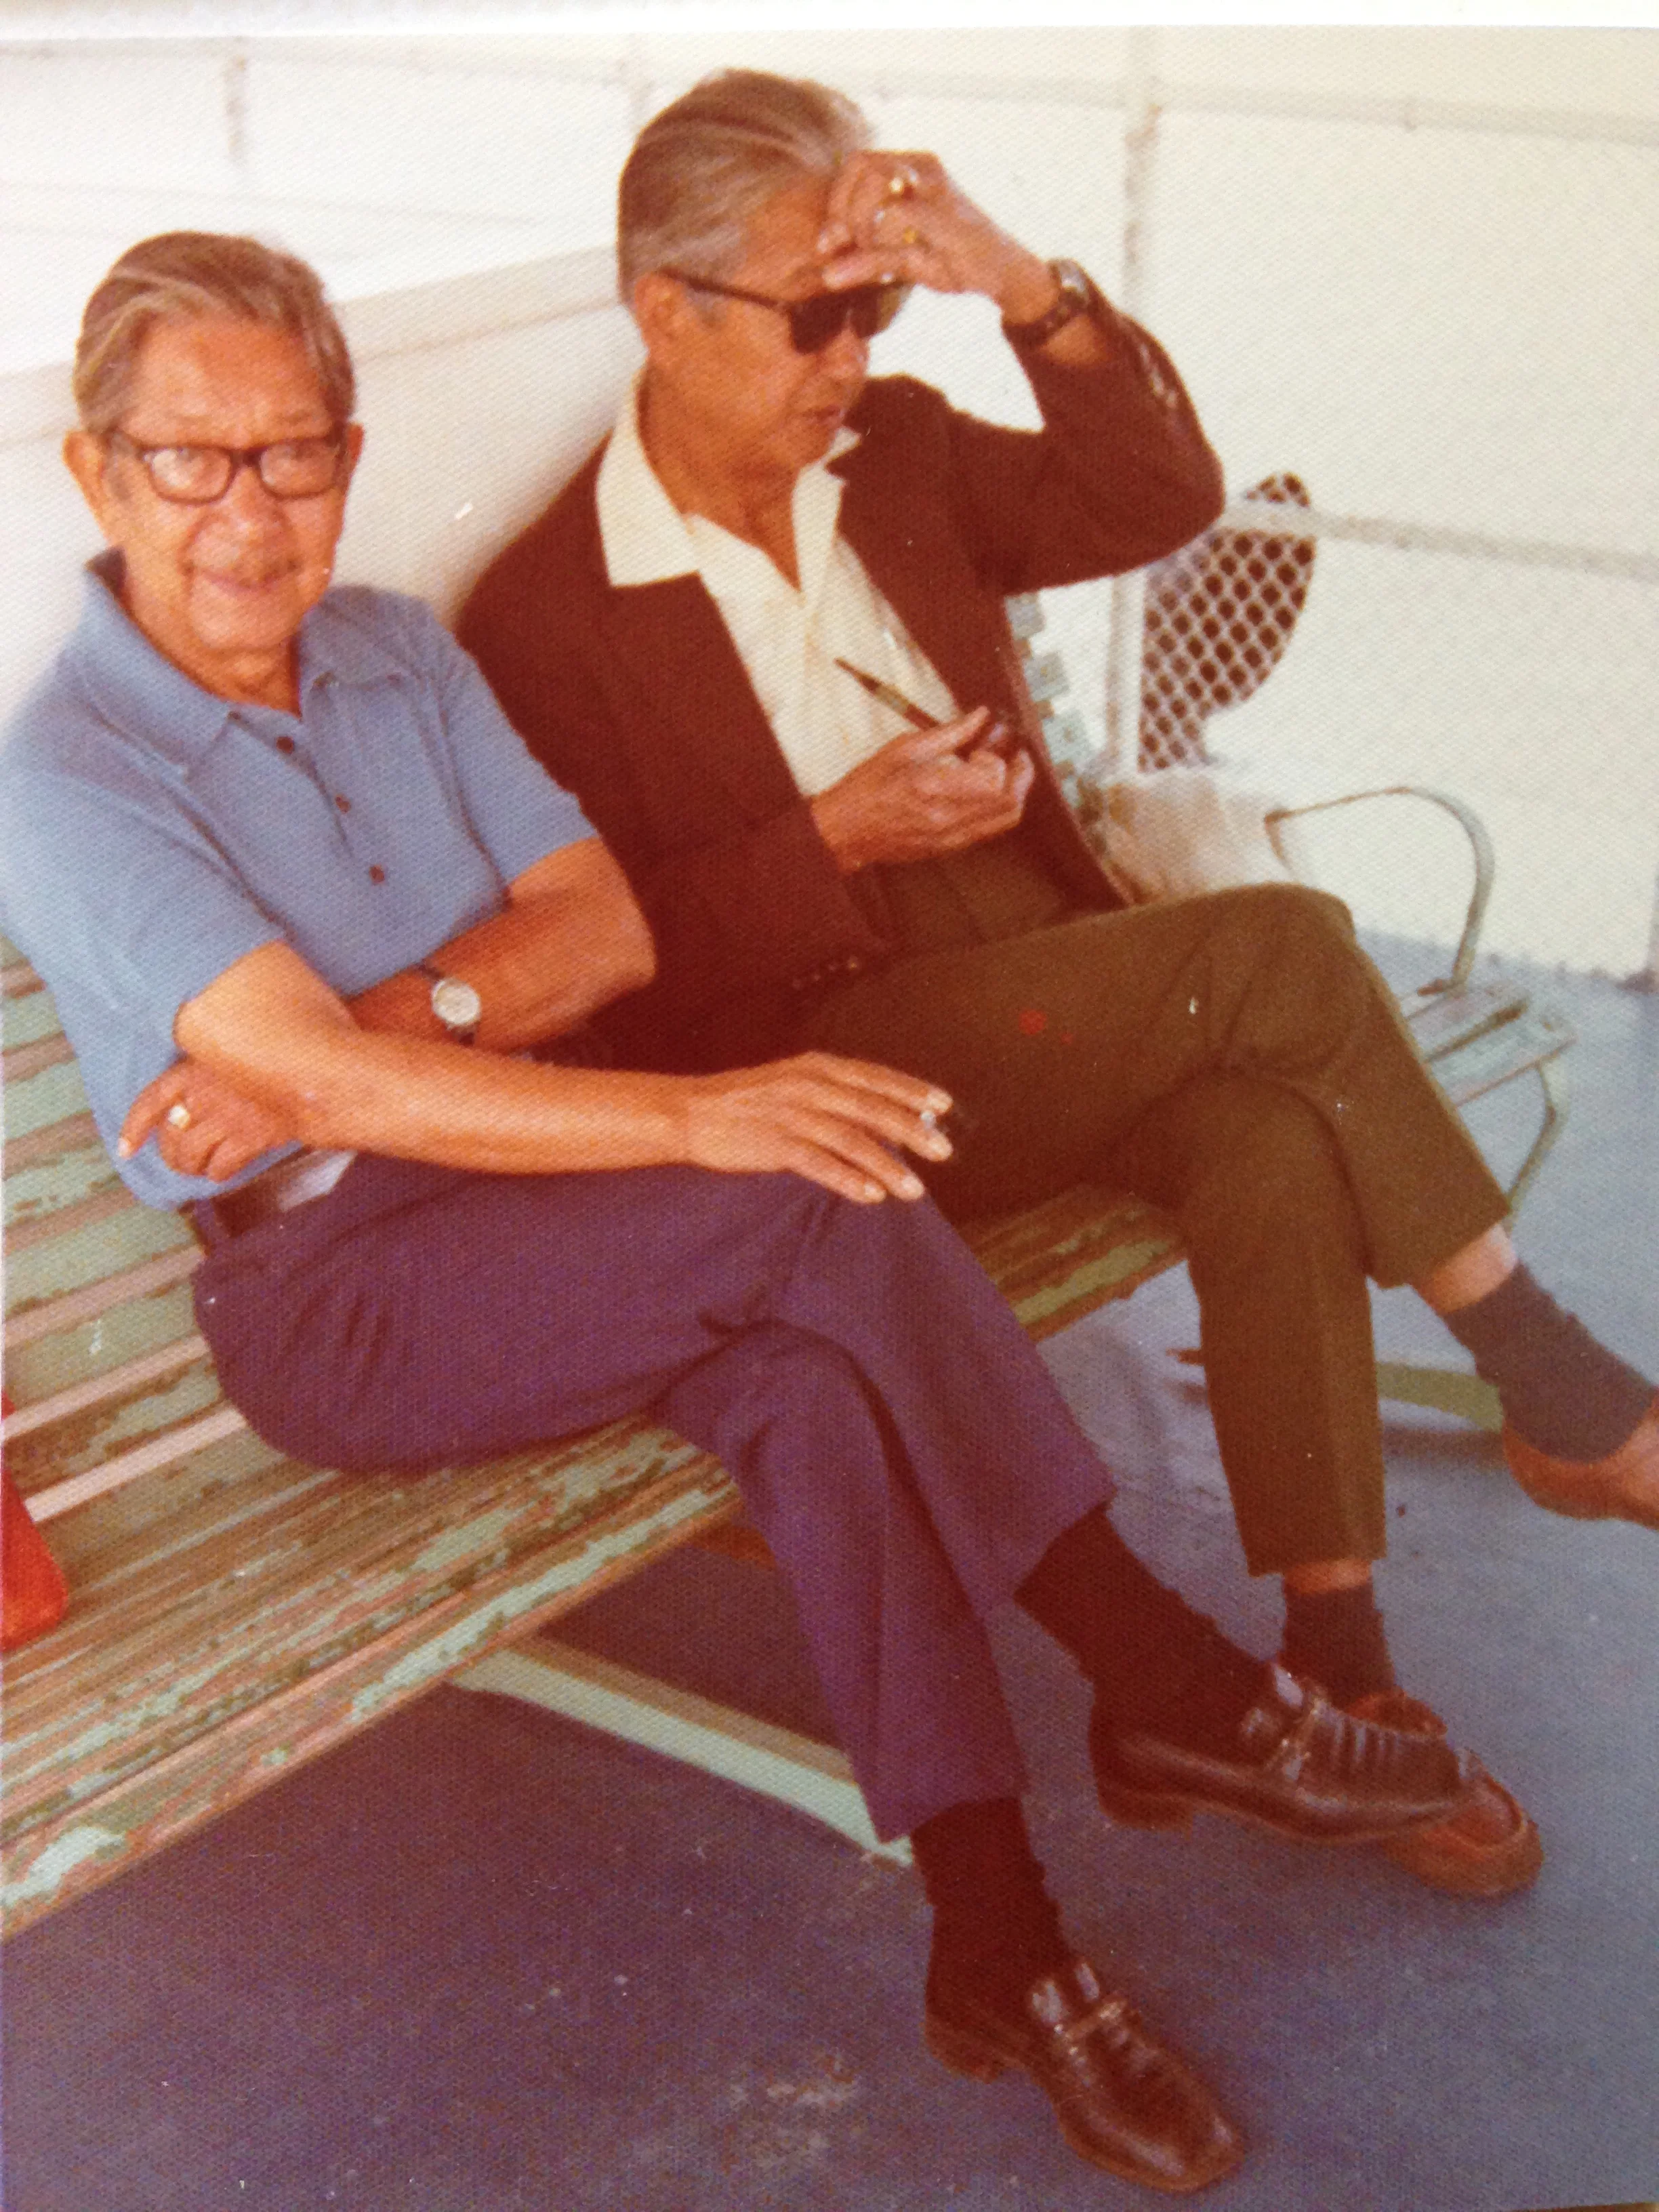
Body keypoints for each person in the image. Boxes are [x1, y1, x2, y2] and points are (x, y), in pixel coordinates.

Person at [0, 232, 1482, 2197]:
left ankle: (1002, 1946)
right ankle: (1172, 1682)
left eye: (293, 454)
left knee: (809, 1379)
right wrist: (632, 1097)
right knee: (799, 1182)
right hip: (345, 1295)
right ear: (97, 474)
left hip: (554, 1182)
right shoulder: (65, 777)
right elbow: (349, 1105)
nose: (248, 512)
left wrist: (362, 1036)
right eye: (191, 459)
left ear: (350, 459)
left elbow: (596, 927)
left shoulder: (396, 654)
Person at [456, 68, 1659, 1909]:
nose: (851, 352)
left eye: (876, 303)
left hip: (1031, 988)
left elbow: (1162, 494)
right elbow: (611, 985)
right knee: (1284, 948)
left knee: (1268, 1129)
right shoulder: (550, 615)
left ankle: (1343, 1668)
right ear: (663, 310)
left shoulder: (906, 454)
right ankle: (1560, 1388)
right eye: (812, 312)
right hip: (835, 1067)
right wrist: (837, 839)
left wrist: (1017, 279)